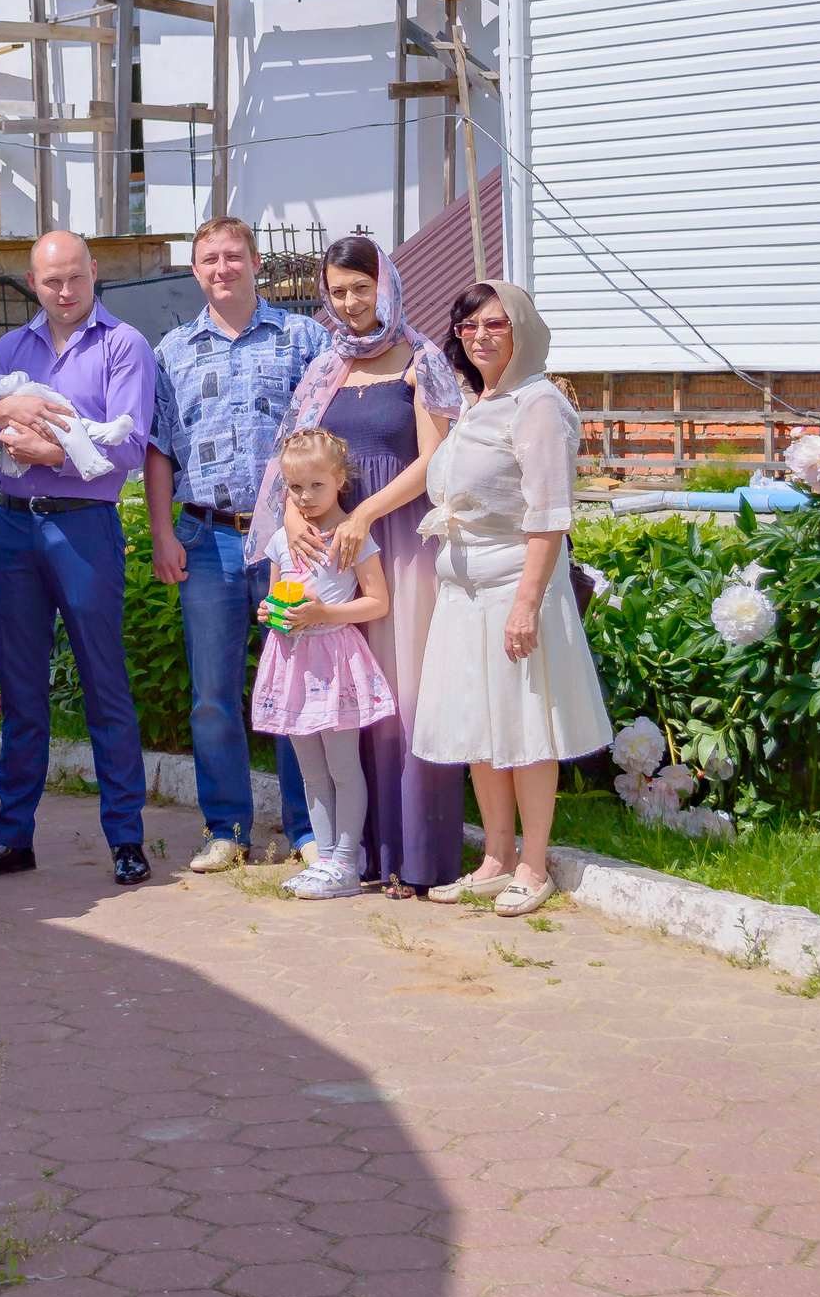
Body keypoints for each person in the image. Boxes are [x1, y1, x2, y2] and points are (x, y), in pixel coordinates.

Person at [0, 230, 157, 886]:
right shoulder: (12, 347)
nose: (63, 292)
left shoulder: (124, 345)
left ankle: (125, 838)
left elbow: (130, 446)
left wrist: (57, 455)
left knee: (103, 682)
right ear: (32, 282)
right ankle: (13, 838)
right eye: (49, 281)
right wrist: (2, 407)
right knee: (20, 687)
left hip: (82, 528)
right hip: (12, 528)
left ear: (93, 272)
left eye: (74, 278)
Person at [262, 236, 468, 895]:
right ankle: (352, 854)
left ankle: (416, 856)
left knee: (402, 697)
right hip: (331, 556)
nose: (350, 302)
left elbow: (434, 461)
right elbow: (291, 458)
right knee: (346, 701)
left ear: (387, 283)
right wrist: (295, 520)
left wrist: (363, 515)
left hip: (398, 547)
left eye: (361, 286)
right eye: (338, 291)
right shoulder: (325, 366)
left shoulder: (422, 358)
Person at [414, 279, 612, 919]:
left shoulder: (539, 404)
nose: (479, 336)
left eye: (495, 324)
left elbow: (550, 514)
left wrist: (527, 603)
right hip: (463, 591)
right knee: (478, 723)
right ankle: (495, 859)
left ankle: (533, 862)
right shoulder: (480, 403)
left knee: (526, 728)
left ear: (522, 330)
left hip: (513, 586)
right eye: (469, 325)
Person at [144, 215, 325, 870]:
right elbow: (159, 450)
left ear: (255, 263)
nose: (221, 267)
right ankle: (226, 828)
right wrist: (162, 532)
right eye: (207, 259)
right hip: (207, 539)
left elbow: (327, 437)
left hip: (288, 540)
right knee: (213, 695)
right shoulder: (171, 353)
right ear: (195, 271)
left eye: (232, 256)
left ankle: (308, 829)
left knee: (295, 684)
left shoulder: (303, 338)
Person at [250, 426, 398, 897]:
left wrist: (323, 614)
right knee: (310, 771)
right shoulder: (281, 542)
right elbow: (276, 596)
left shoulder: (353, 538)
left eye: (317, 485)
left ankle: (348, 862)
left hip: (335, 664)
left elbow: (378, 603)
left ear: (340, 480)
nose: (306, 496)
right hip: (292, 664)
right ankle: (325, 856)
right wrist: (271, 612)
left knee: (342, 766)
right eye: (296, 487)